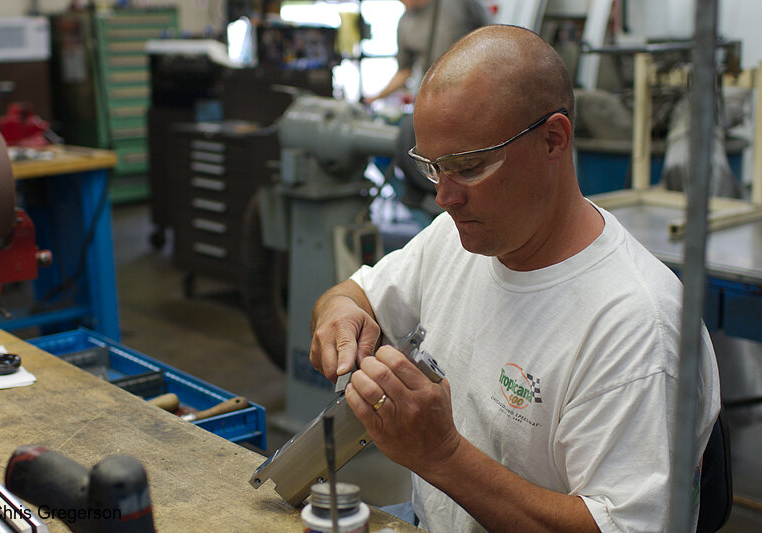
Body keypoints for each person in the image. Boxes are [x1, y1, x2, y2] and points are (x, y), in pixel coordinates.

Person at [309, 25, 721, 532]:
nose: (445, 197)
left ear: (554, 139)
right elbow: (354, 293)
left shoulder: (638, 328)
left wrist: (442, 456)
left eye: (469, 166)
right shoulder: (457, 240)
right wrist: (340, 313)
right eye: (434, 168)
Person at [363, 0, 489, 105]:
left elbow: (493, 39)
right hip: (432, 99)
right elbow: (404, 72)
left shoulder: (461, 4)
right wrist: (374, 98)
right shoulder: (404, 23)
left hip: (471, 95)